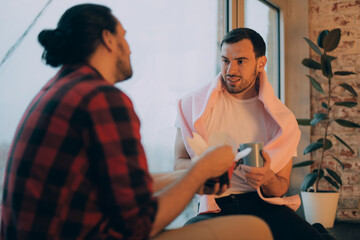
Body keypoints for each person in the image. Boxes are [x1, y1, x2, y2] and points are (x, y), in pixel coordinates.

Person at [0, 4, 274, 240]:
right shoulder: (102, 99)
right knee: (254, 229)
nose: (130, 49)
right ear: (108, 39)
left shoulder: (56, 90)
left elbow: (126, 185)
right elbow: (138, 224)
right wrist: (199, 172)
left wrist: (193, 175)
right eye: (125, 37)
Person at [175, 28, 335, 240]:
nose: (230, 70)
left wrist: (267, 178)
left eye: (240, 61)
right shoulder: (192, 105)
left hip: (265, 206)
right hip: (215, 208)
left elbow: (279, 188)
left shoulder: (282, 120)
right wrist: (204, 167)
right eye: (225, 60)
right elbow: (179, 162)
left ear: (261, 63)